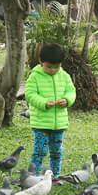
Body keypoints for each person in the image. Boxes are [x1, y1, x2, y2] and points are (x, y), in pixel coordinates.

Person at [24, 42, 77, 183]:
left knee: (56, 151)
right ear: (41, 61)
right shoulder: (34, 76)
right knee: (40, 150)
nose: (53, 70)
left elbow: (71, 91)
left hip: (59, 123)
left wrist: (67, 100)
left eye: (56, 67)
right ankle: (32, 177)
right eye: (49, 67)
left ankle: (55, 176)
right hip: (41, 123)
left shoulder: (64, 76)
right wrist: (43, 103)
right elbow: (30, 94)